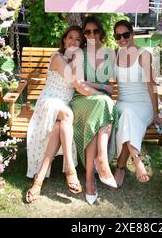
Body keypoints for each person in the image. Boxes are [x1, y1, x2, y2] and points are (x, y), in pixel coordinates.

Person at [25, 25, 103, 203]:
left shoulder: (75, 63)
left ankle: (38, 180)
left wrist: (101, 86)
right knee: (66, 115)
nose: (74, 42)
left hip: (62, 109)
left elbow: (82, 82)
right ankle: (70, 169)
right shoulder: (58, 57)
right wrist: (100, 93)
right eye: (70, 38)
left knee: (60, 125)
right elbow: (78, 84)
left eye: (78, 40)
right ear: (64, 40)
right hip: (49, 102)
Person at [70, 16, 118, 205]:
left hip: (100, 103)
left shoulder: (109, 54)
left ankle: (90, 177)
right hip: (81, 99)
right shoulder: (78, 54)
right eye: (87, 32)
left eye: (95, 31)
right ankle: (102, 162)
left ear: (101, 33)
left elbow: (114, 86)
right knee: (103, 102)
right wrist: (102, 87)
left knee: (99, 112)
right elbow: (78, 84)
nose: (91, 35)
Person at [112, 20, 162, 188]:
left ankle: (123, 167)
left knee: (129, 116)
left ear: (132, 34)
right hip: (122, 103)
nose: (122, 39)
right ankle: (136, 161)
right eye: (118, 36)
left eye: (125, 35)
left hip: (143, 105)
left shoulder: (144, 54)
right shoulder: (114, 54)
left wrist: (156, 113)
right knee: (127, 113)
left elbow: (151, 84)